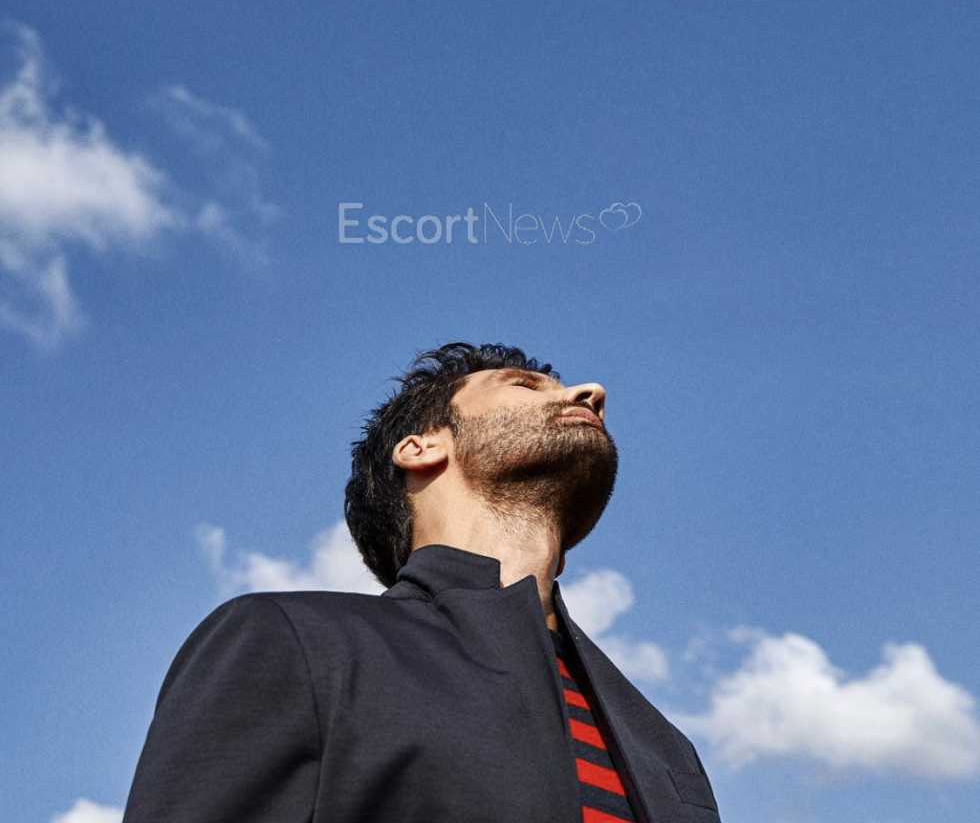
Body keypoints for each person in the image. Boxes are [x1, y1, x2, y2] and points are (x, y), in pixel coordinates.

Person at [122, 342, 721, 822]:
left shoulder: (664, 745)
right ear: (420, 447)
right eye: (523, 384)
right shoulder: (292, 642)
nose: (591, 392)